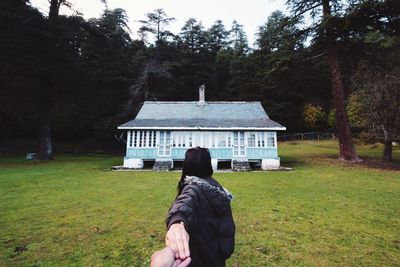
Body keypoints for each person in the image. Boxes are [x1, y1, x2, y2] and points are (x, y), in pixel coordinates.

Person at [165, 147, 235, 267]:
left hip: (199, 258)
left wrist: (177, 221)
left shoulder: (193, 188)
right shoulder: (214, 185)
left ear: (188, 164)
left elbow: (185, 202)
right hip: (216, 257)